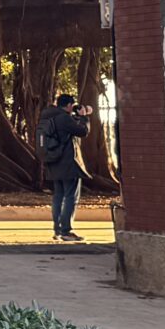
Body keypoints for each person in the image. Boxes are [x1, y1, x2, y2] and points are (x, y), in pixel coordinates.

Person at [38, 93, 93, 242]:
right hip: (67, 163)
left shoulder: (47, 117)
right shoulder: (64, 118)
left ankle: (57, 230)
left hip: (53, 162)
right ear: (69, 105)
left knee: (58, 196)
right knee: (70, 197)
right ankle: (66, 231)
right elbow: (83, 132)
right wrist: (84, 117)